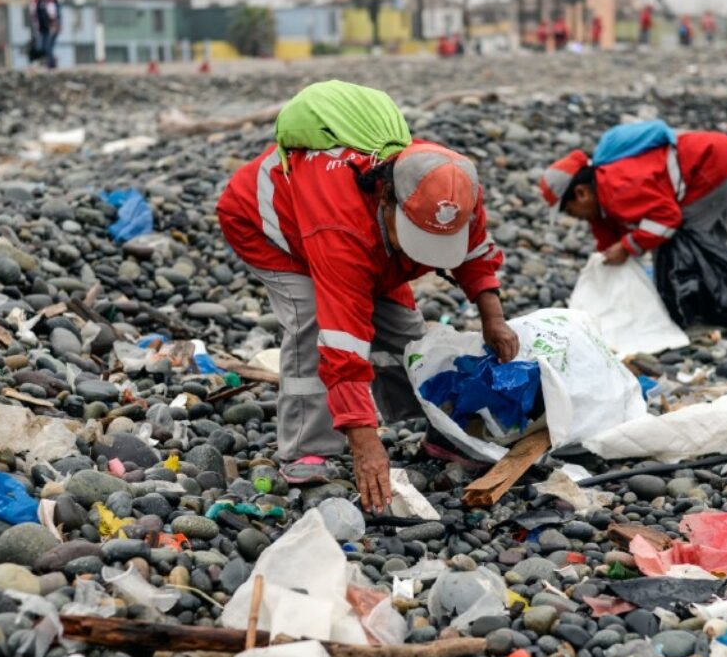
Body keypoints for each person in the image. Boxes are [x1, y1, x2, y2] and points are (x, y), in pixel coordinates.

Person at [215, 81, 516, 513]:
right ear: (387, 198)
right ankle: (305, 448)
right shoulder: (343, 227)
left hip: (371, 244)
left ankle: (433, 429)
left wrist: (494, 318)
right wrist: (365, 442)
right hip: (272, 227)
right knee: (314, 321)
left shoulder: (449, 187)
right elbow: (343, 342)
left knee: (407, 335)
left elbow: (475, 250)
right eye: (416, 238)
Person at [539, 129, 727, 265]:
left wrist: (627, 247)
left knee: (687, 241)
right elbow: (607, 230)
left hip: (713, 164)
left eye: (569, 210)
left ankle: (718, 301)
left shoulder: (617, 190)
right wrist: (607, 254)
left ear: (581, 193)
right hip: (718, 153)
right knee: (712, 238)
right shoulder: (602, 192)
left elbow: (668, 219)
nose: (574, 216)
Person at [31, 0, 60, 69]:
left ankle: (51, 64)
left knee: (48, 46)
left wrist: (55, 25)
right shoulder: (37, 0)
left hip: (51, 27)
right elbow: (33, 13)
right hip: (41, 28)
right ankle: (48, 62)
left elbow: (54, 14)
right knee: (42, 47)